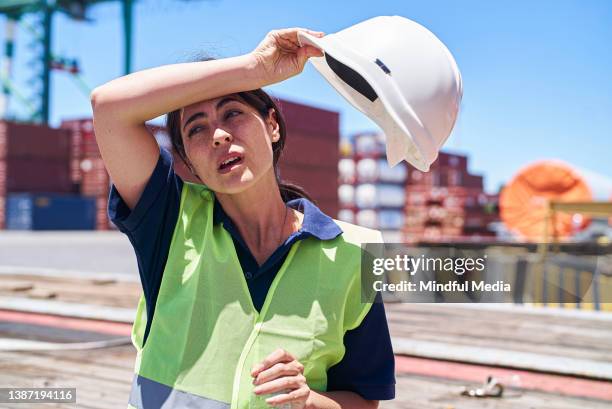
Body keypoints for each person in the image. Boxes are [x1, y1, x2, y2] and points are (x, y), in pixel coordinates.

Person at [91, 27, 395, 409]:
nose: (218, 135)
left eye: (233, 113)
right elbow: (109, 108)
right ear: (189, 159)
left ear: (272, 125)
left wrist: (310, 401)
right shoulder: (170, 222)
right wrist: (255, 68)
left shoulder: (357, 253)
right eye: (196, 128)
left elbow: (365, 400)